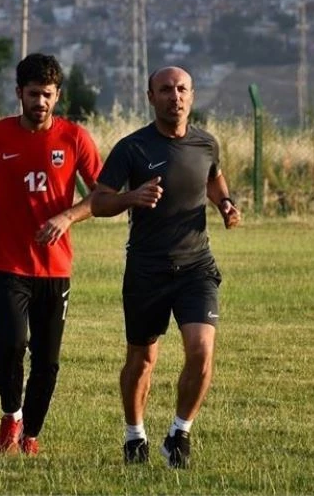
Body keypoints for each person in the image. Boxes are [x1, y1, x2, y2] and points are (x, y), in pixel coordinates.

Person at [91, 66, 241, 469]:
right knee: (142, 359)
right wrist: (132, 197)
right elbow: (99, 202)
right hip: (147, 269)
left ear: (192, 95)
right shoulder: (132, 148)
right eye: (166, 90)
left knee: (202, 351)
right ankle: (134, 435)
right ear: (151, 97)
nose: (175, 97)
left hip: (196, 266)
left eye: (182, 89)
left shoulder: (206, 143)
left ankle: (179, 434)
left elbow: (214, 180)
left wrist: (225, 204)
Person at [0, 53, 103, 456]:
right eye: (33, 93)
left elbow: (103, 194)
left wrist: (68, 216)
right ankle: (11, 416)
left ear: (58, 96)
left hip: (55, 267)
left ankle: (31, 435)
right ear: (19, 93)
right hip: (6, 263)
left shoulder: (74, 138)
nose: (40, 101)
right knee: (11, 342)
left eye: (47, 94)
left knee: (47, 359)